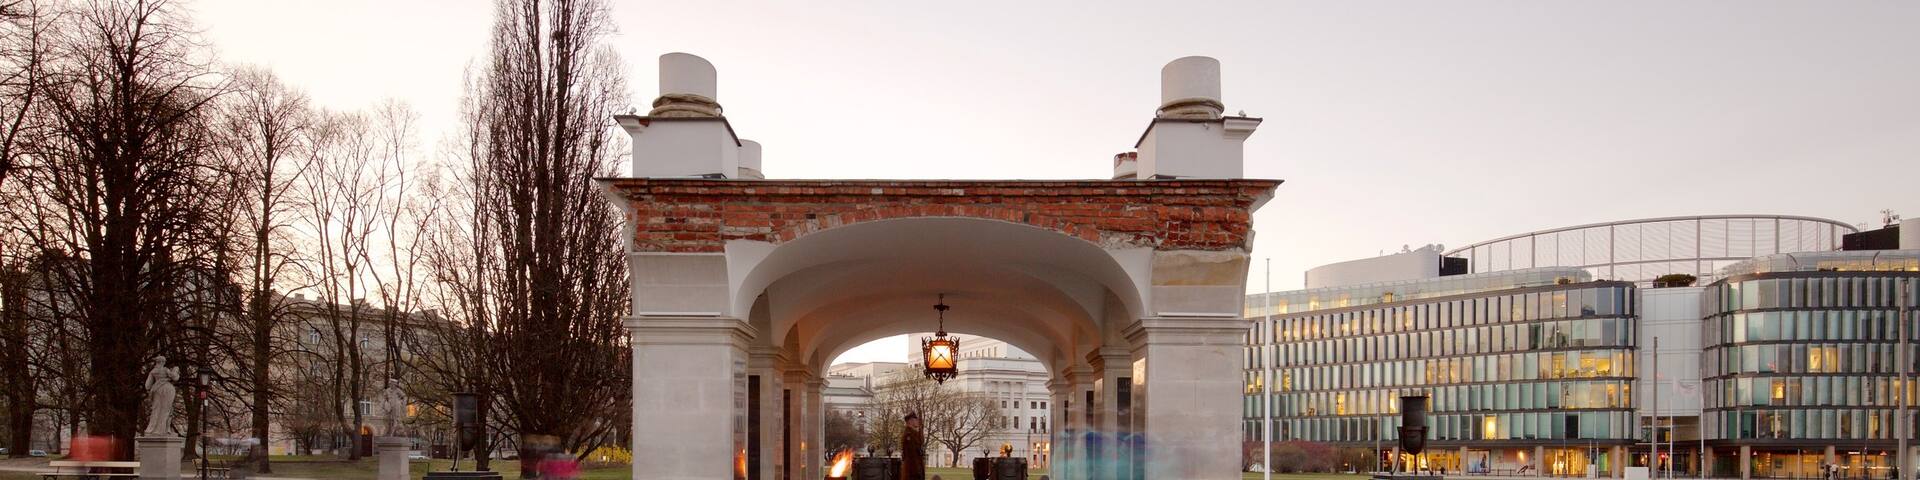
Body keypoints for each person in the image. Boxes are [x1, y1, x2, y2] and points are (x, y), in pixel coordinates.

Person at [901, 413, 926, 480]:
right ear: (910, 421)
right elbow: (912, 455)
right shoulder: (909, 435)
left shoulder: (915, 434)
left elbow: (921, 442)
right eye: (916, 420)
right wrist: (918, 470)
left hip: (916, 469)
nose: (918, 421)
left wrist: (920, 429)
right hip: (912, 471)